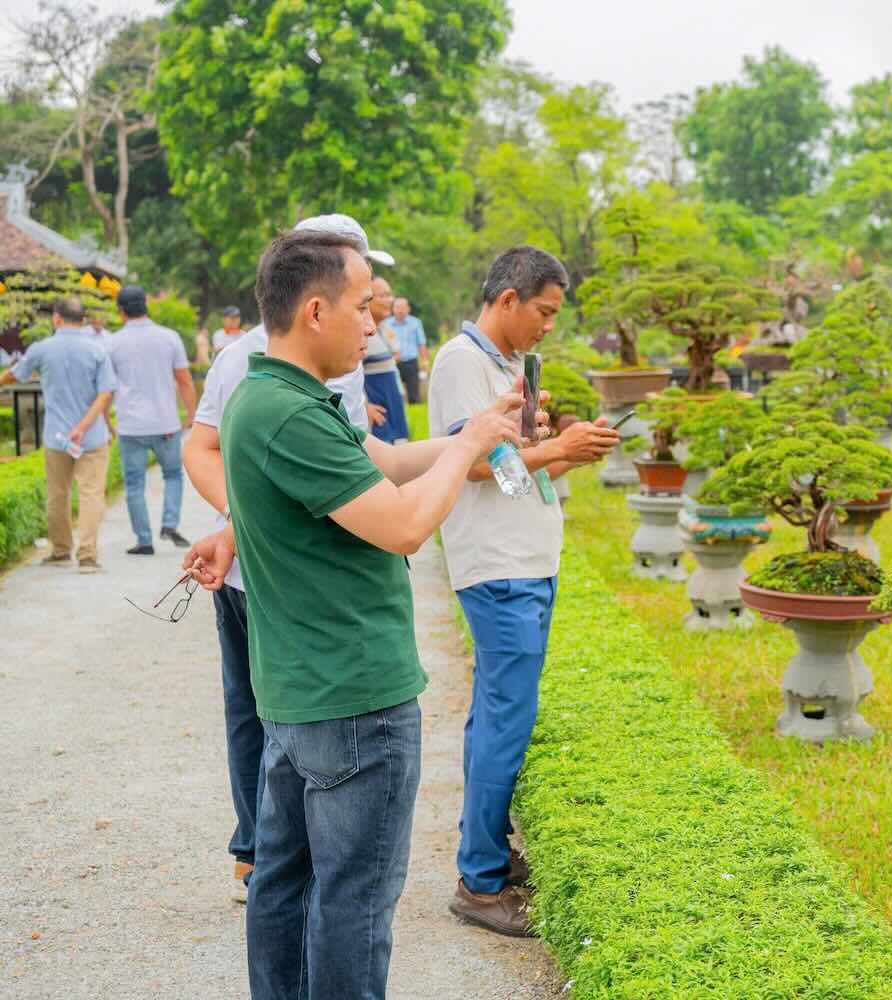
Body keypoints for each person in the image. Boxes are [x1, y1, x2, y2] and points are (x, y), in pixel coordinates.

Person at [181, 227, 532, 1000]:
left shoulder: (271, 397)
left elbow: (388, 464)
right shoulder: (290, 413)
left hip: (302, 693)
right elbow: (405, 523)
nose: (373, 325)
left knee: (285, 881)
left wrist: (470, 442)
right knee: (352, 903)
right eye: (362, 308)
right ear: (315, 311)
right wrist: (469, 441)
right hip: (353, 701)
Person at [181, 214, 385, 901]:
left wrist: (241, 521)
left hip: (247, 558)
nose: (369, 314)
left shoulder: (250, 354)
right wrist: (251, 517)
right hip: (279, 569)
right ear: (316, 293)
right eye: (357, 286)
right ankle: (275, 858)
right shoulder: (300, 359)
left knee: (256, 708)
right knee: (281, 714)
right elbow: (325, 474)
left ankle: (260, 857)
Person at [429, 245, 619, 937]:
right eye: (542, 312)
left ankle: (486, 855)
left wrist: (560, 450)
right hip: (500, 568)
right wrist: (560, 450)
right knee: (507, 722)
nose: (547, 327)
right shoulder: (462, 362)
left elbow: (514, 472)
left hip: (523, 559)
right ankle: (478, 886)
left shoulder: (505, 366)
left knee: (495, 719)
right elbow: (474, 463)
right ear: (508, 299)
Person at [0, 295, 116, 573]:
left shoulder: (42, 349)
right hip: (91, 438)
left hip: (56, 436)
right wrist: (84, 427)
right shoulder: (97, 350)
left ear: (56, 318)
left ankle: (61, 550)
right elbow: (105, 394)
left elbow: (16, 374)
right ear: (83, 319)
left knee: (57, 494)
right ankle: (87, 556)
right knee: (90, 495)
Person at [106, 285, 197, 555]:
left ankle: (144, 540)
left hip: (130, 425)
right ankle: (169, 523)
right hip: (165, 423)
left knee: (133, 483)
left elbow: (105, 388)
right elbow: (184, 380)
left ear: (120, 311)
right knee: (173, 475)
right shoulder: (169, 337)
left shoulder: (111, 342)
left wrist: (106, 420)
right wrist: (192, 414)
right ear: (146, 304)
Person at [363, 278, 409, 443]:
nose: (389, 300)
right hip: (379, 418)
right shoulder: (361, 334)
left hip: (394, 408)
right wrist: (364, 405)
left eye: (390, 295)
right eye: (382, 295)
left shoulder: (385, 329)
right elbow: (349, 376)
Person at [385, 296, 427, 403]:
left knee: (414, 396)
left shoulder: (416, 323)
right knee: (393, 395)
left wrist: (424, 362)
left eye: (403, 307)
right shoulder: (386, 324)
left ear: (408, 308)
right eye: (397, 307)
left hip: (410, 363)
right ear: (393, 309)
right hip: (392, 363)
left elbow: (421, 344)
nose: (400, 310)